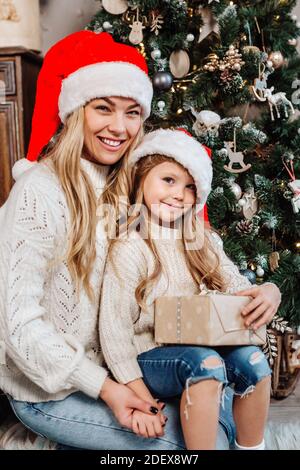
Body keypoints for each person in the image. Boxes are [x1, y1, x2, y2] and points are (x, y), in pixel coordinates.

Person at [0, 30, 231, 450]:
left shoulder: (134, 187)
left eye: (131, 113)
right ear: (74, 112)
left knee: (214, 426)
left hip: (126, 369)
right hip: (51, 389)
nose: (118, 128)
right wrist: (108, 389)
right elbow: (18, 327)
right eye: (103, 108)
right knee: (173, 448)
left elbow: (198, 253)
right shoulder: (38, 192)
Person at [99, 128, 282, 450]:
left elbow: (237, 286)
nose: (179, 194)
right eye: (168, 180)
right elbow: (113, 334)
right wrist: (142, 400)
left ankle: (252, 446)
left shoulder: (204, 241)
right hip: (148, 357)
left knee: (253, 360)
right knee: (204, 361)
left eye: (190, 187)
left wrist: (268, 289)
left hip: (199, 348)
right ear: (141, 179)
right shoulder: (130, 246)